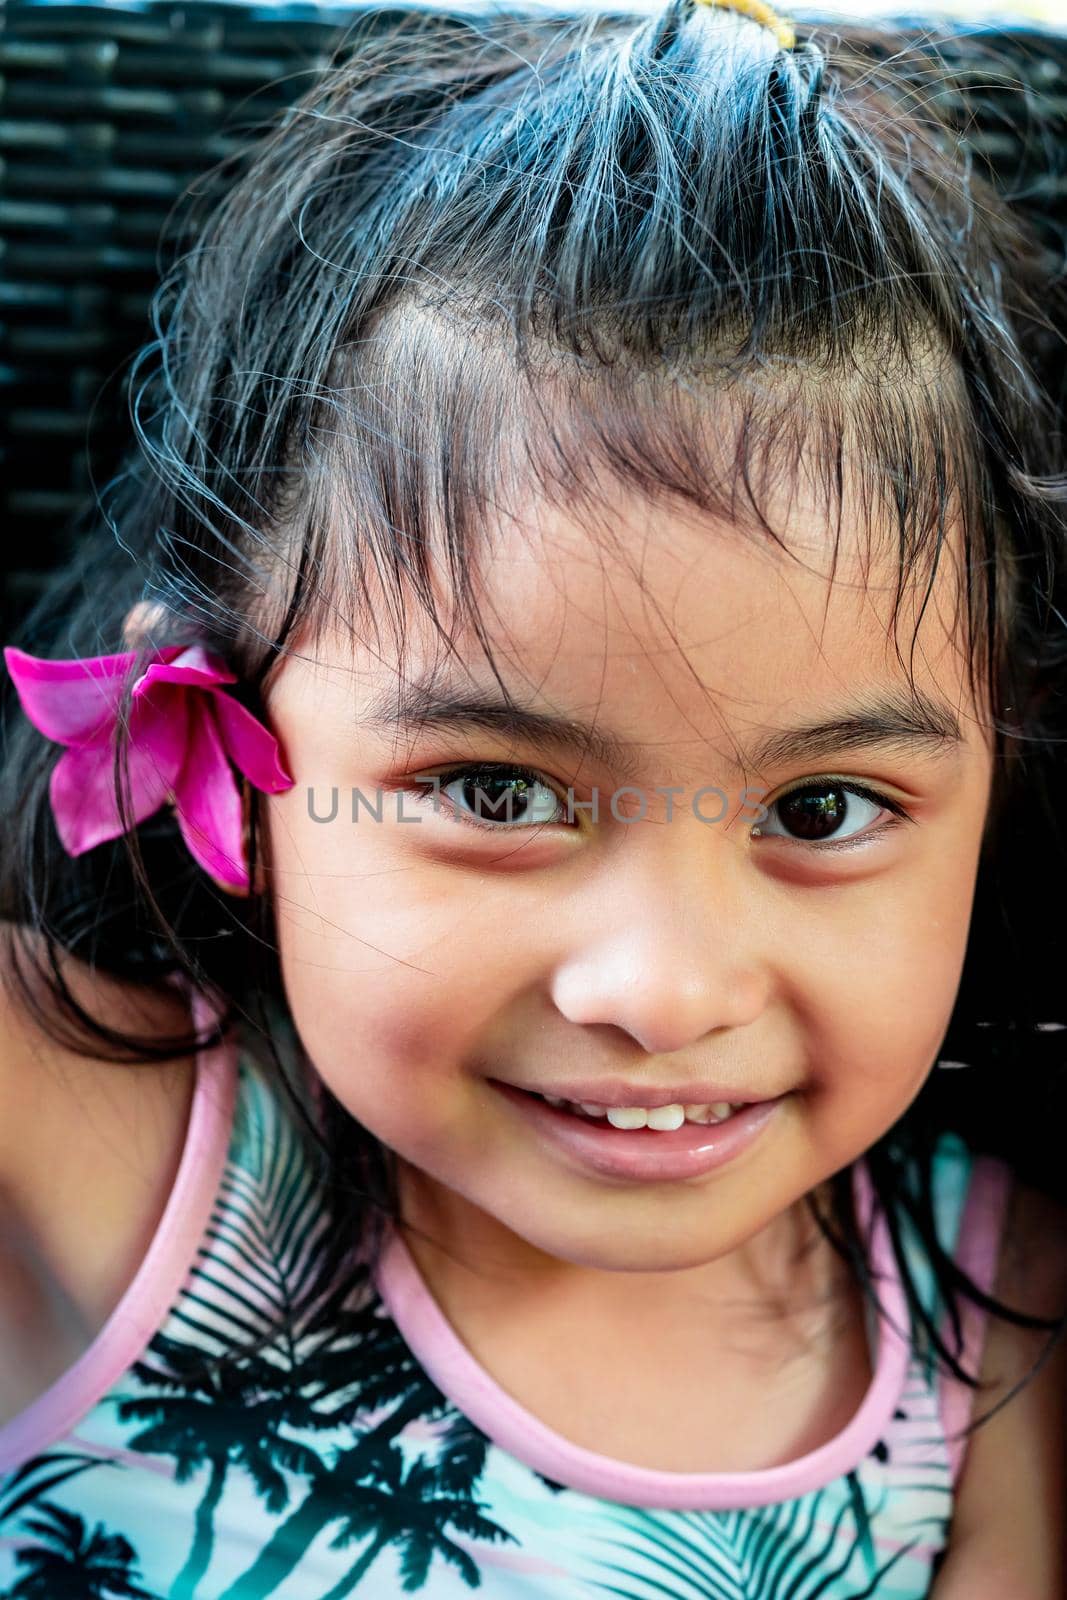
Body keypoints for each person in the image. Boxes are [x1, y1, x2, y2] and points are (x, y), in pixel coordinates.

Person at [0, 0, 1065, 1593]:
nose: (661, 990)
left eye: (825, 810)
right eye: (496, 791)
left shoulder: (992, 1315)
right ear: (221, 743)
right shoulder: (97, 1139)